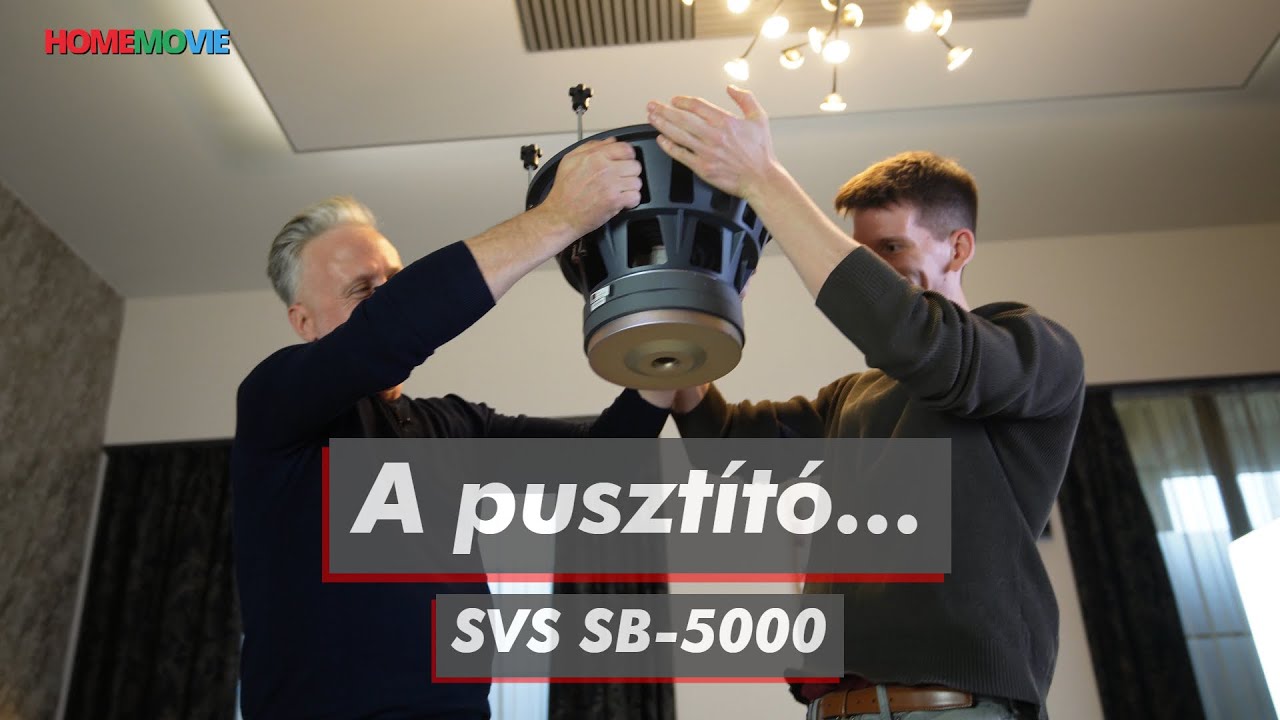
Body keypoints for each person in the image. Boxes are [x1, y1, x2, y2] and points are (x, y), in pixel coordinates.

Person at [646, 88, 1085, 720]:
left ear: (958, 248)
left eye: (892, 249)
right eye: (864, 254)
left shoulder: (1031, 350)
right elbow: (728, 450)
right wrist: (675, 346)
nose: (875, 271)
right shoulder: (852, 399)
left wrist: (763, 181)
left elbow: (922, 341)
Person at [231, 137, 675, 719]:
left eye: (396, 280)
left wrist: (672, 349)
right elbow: (385, 334)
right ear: (304, 322)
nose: (386, 297)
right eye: (362, 290)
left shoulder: (455, 425)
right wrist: (560, 218)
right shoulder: (274, 402)